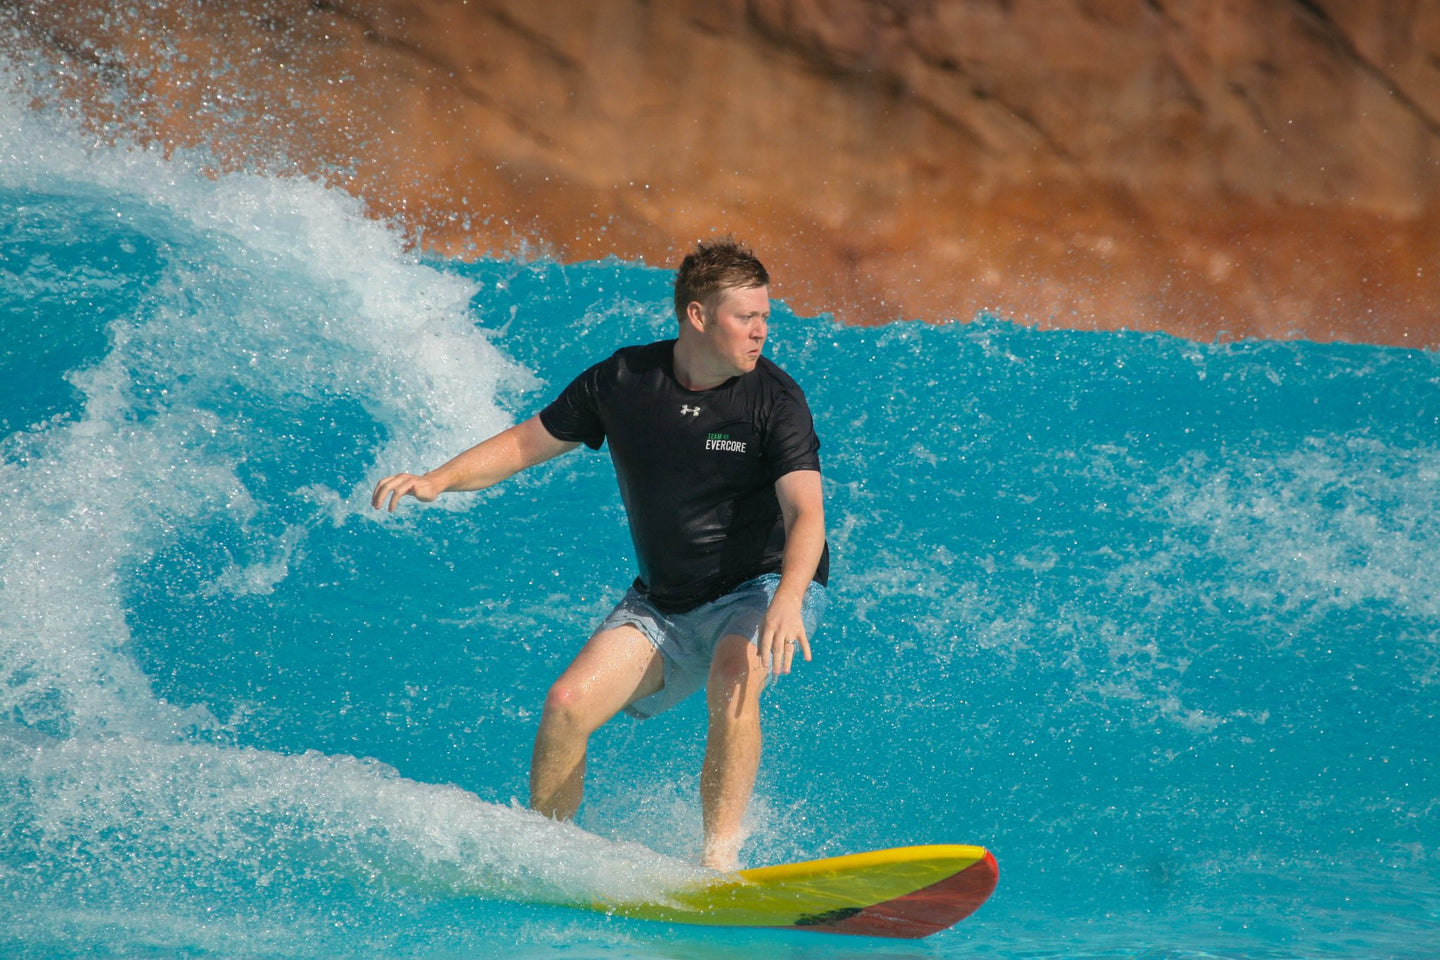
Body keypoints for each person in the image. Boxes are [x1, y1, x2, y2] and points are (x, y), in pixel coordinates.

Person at [371, 237, 829, 870]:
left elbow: (806, 513)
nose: (761, 332)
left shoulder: (774, 400)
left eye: (765, 316)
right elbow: (525, 443)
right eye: (745, 317)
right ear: (697, 317)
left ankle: (719, 863)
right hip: (665, 602)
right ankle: (545, 855)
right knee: (564, 707)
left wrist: (789, 598)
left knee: (734, 672)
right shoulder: (623, 381)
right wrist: (438, 479)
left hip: (759, 589)